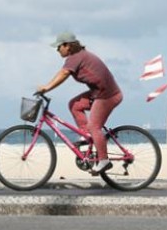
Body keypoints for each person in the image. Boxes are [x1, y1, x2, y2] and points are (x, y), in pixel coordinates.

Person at [37, 32, 124, 174]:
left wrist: (46, 87)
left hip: (107, 95)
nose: (57, 50)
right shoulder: (79, 56)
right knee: (75, 105)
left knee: (94, 126)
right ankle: (87, 136)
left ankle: (103, 160)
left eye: (59, 47)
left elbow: (64, 73)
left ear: (67, 46)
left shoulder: (75, 58)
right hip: (99, 93)